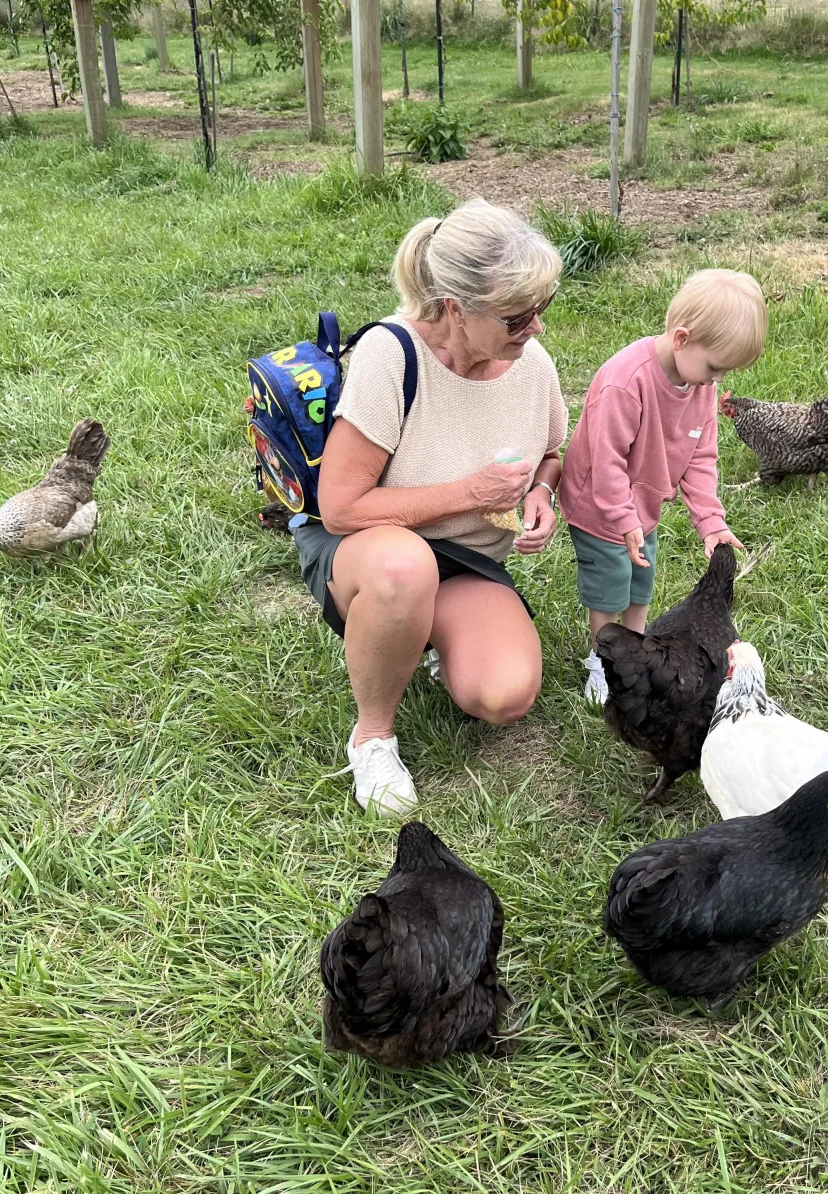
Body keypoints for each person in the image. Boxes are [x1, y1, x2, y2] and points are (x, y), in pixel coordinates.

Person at [294, 199, 567, 813]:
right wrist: (469, 494)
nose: (536, 328)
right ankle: (372, 736)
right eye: (518, 316)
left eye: (541, 309)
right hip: (366, 549)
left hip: (466, 560)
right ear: (453, 310)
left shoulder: (531, 365)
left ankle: (429, 635)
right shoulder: (391, 357)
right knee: (404, 569)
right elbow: (340, 507)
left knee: (504, 696)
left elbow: (554, 451)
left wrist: (544, 495)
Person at [558, 268, 767, 704]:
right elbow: (606, 459)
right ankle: (603, 660)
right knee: (609, 584)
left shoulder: (699, 388)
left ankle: (634, 655)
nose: (717, 381)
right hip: (601, 506)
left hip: (642, 504)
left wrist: (711, 522)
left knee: (640, 580)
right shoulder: (626, 381)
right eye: (715, 367)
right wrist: (622, 517)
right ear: (682, 338)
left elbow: (700, 458)